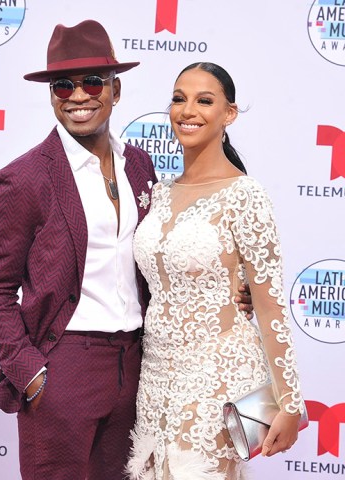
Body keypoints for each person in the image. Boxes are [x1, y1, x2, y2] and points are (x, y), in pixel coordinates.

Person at [0, 21, 253, 480]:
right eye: (63, 84)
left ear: (115, 90)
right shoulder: (23, 180)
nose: (78, 95)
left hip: (139, 369)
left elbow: (165, 252)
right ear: (51, 94)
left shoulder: (139, 164)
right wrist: (32, 374)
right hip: (63, 369)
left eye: (92, 82)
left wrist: (232, 289)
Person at [126, 62, 305, 480]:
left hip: (218, 379)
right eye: (178, 98)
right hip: (153, 380)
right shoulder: (159, 193)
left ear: (229, 114)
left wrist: (290, 402)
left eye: (204, 100)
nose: (188, 110)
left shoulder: (246, 195)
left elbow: (271, 307)